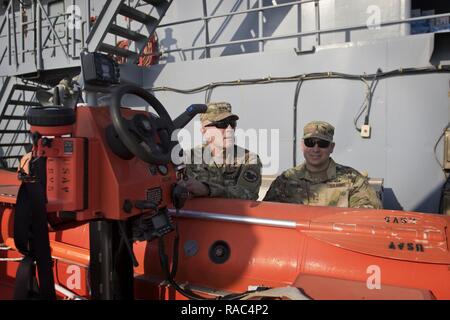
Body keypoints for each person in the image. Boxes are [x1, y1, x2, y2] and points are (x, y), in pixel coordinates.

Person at [264, 121, 382, 208]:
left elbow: (369, 214)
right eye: (310, 142)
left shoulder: (352, 180)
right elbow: (268, 213)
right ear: (302, 145)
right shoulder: (286, 180)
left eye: (322, 143)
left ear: (331, 147)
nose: (316, 149)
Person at [179, 102, 262, 200]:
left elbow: (248, 194)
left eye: (232, 123)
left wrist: (207, 190)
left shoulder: (248, 159)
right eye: (222, 124)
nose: (230, 129)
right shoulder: (189, 158)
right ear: (204, 131)